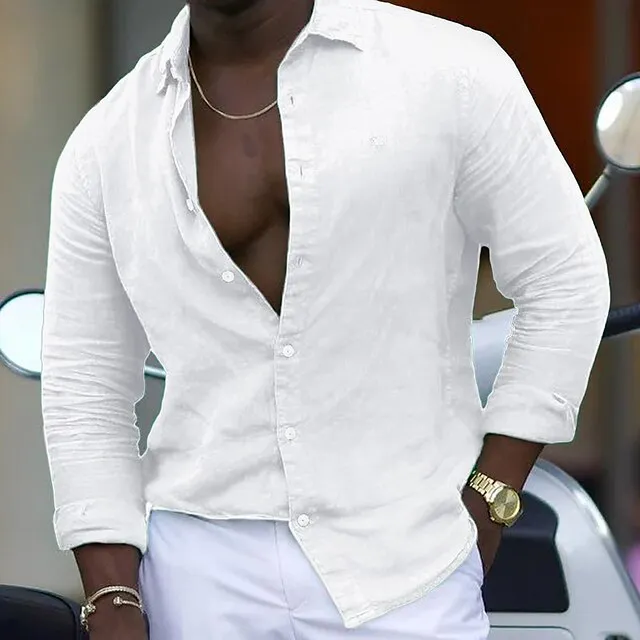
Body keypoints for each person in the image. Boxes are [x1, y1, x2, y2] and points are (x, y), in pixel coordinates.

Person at [40, 0, 610, 638]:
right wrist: (112, 595)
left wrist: (492, 496)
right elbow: (84, 383)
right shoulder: (108, 141)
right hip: (195, 575)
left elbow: (565, 278)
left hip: (409, 565)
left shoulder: (449, 71)